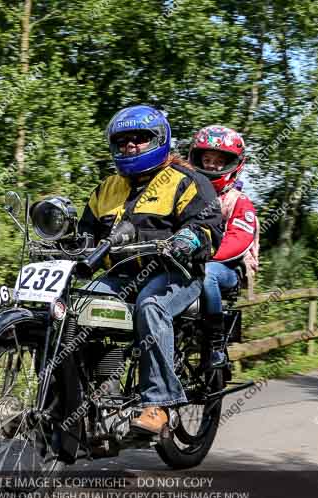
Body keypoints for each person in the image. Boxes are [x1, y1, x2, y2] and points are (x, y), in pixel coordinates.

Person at [77, 105, 223, 434]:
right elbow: (85, 234)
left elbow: (209, 228)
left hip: (175, 273)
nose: (130, 146)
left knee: (151, 305)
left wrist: (188, 239)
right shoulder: (107, 188)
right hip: (121, 276)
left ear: (159, 140)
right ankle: (69, 400)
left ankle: (158, 403)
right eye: (123, 140)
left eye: (140, 139)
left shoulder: (188, 181)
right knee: (74, 308)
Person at [188, 125, 260, 365]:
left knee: (207, 274)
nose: (211, 165)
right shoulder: (186, 193)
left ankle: (215, 341)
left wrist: (203, 256)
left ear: (232, 163)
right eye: (206, 159)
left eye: (218, 161)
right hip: (186, 262)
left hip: (226, 268)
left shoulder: (237, 201)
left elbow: (238, 238)